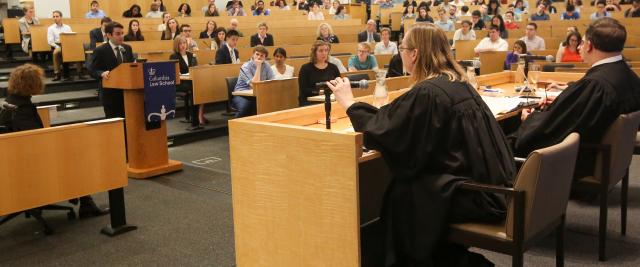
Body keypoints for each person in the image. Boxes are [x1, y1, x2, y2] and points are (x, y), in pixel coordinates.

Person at [325, 23, 515, 266]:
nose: (400, 53)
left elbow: (390, 132)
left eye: (402, 48)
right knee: (410, 190)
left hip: (477, 196)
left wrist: (350, 104)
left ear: (414, 53)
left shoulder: (429, 92)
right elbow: (401, 122)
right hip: (495, 187)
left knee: (401, 194)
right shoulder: (458, 82)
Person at [511, 17, 640, 181]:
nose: (579, 46)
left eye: (582, 42)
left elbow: (554, 130)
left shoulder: (596, 85)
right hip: (604, 156)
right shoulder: (628, 75)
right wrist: (565, 102)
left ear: (590, 45)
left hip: (577, 161)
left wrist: (529, 118)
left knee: (505, 136)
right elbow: (582, 111)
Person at [0, 64, 109, 217]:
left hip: (19, 158)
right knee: (76, 155)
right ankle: (84, 203)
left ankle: (80, 198)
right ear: (32, 83)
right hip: (31, 161)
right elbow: (35, 139)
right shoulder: (22, 109)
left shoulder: (12, 101)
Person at [89, 22, 135, 120]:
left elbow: (131, 66)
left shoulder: (127, 48)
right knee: (115, 125)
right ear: (109, 35)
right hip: (110, 94)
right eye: (118, 34)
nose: (121, 36)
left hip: (127, 93)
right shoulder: (100, 50)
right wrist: (101, 73)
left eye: (122, 33)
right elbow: (92, 69)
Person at [232, 46, 276, 117]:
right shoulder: (245, 67)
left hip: (258, 94)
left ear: (265, 58)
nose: (259, 57)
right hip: (242, 94)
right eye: (257, 54)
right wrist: (258, 66)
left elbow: (273, 81)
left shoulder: (266, 65)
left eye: (262, 55)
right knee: (246, 106)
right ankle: (234, 125)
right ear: (253, 55)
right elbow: (255, 85)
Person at [169, 36, 200, 129]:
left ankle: (196, 118)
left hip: (190, 81)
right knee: (193, 88)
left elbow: (195, 68)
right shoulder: (174, 56)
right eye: (180, 44)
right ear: (176, 45)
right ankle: (195, 121)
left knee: (196, 87)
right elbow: (174, 72)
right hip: (180, 83)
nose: (182, 45)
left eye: (184, 43)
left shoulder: (191, 55)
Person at [298, 41, 341, 106]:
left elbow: (339, 85)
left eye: (326, 50)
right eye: (321, 51)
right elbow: (304, 89)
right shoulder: (305, 68)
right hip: (310, 101)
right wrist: (322, 92)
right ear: (314, 53)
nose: (324, 53)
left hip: (330, 99)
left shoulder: (333, 67)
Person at [47, 11, 83, 81]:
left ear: (61, 17)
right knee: (56, 52)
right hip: (57, 45)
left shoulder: (67, 27)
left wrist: (70, 46)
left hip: (68, 45)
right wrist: (58, 47)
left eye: (57, 16)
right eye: (54, 17)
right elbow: (50, 41)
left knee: (79, 49)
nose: (55, 18)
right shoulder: (51, 28)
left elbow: (71, 37)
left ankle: (80, 72)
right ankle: (57, 74)